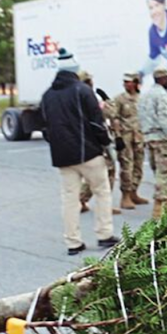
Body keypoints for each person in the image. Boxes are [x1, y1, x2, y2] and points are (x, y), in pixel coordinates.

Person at [40, 48, 119, 256]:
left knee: (69, 198)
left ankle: (73, 242)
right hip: (89, 153)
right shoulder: (83, 91)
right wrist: (106, 143)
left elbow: (45, 127)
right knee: (102, 191)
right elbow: (97, 123)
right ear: (75, 69)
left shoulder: (47, 95)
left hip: (62, 156)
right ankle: (104, 234)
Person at [77, 70, 121, 215]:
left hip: (87, 140)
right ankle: (102, 205)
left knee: (93, 173)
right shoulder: (90, 99)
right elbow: (110, 113)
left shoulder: (76, 98)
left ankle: (81, 200)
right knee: (108, 171)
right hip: (99, 139)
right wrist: (107, 100)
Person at [139, 65, 167, 218]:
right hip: (162, 137)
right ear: (162, 79)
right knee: (165, 172)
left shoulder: (146, 94)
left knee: (157, 170)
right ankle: (158, 208)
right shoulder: (162, 95)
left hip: (149, 137)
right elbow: (165, 119)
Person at [111, 73, 150, 210]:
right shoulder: (120, 99)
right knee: (127, 166)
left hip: (139, 136)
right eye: (125, 82)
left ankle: (134, 192)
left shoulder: (142, 98)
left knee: (138, 166)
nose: (126, 84)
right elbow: (114, 118)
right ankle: (125, 195)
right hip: (126, 137)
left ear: (136, 83)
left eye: (129, 82)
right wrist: (118, 136)